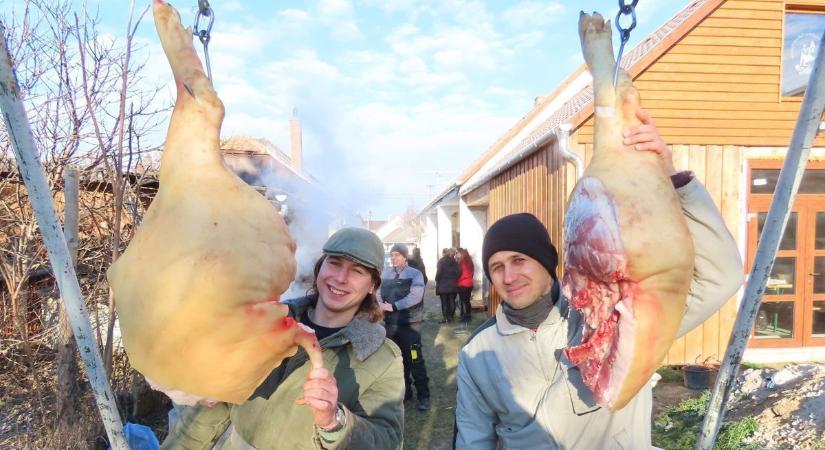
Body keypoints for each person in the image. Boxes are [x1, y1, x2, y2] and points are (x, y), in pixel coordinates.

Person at [453, 111, 744, 449]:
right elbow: (474, 440)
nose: (509, 276)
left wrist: (670, 178)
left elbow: (721, 277)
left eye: (520, 260)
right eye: (496, 266)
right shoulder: (479, 353)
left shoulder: (614, 318)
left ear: (548, 264)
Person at [162, 228, 405, 450]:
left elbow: (387, 441)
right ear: (320, 269)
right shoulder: (267, 324)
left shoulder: (381, 358)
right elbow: (216, 406)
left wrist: (335, 422)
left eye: (357, 271)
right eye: (334, 263)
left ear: (373, 285)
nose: (340, 278)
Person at [376, 243, 431, 411]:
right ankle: (405, 394)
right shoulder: (385, 273)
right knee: (396, 360)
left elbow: (415, 296)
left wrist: (394, 306)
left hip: (410, 325)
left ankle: (424, 396)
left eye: (397, 255)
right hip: (391, 325)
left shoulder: (415, 274)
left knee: (414, 359)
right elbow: (377, 291)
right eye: (392, 255)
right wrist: (379, 304)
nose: (393, 258)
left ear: (405, 257)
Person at [434, 248, 461, 323]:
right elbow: (459, 271)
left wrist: (437, 279)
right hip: (452, 284)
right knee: (452, 300)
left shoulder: (441, 261)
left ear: (443, 253)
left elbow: (439, 272)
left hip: (443, 284)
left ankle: (445, 318)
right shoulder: (454, 261)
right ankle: (451, 317)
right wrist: (455, 279)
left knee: (444, 302)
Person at [455, 248, 475, 324]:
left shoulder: (461, 262)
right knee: (467, 301)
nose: (456, 254)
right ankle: (468, 316)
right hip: (469, 283)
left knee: (463, 301)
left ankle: (464, 316)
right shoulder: (469, 261)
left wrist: (456, 280)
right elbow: (472, 272)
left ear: (461, 253)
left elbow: (458, 273)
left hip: (462, 284)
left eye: (457, 253)